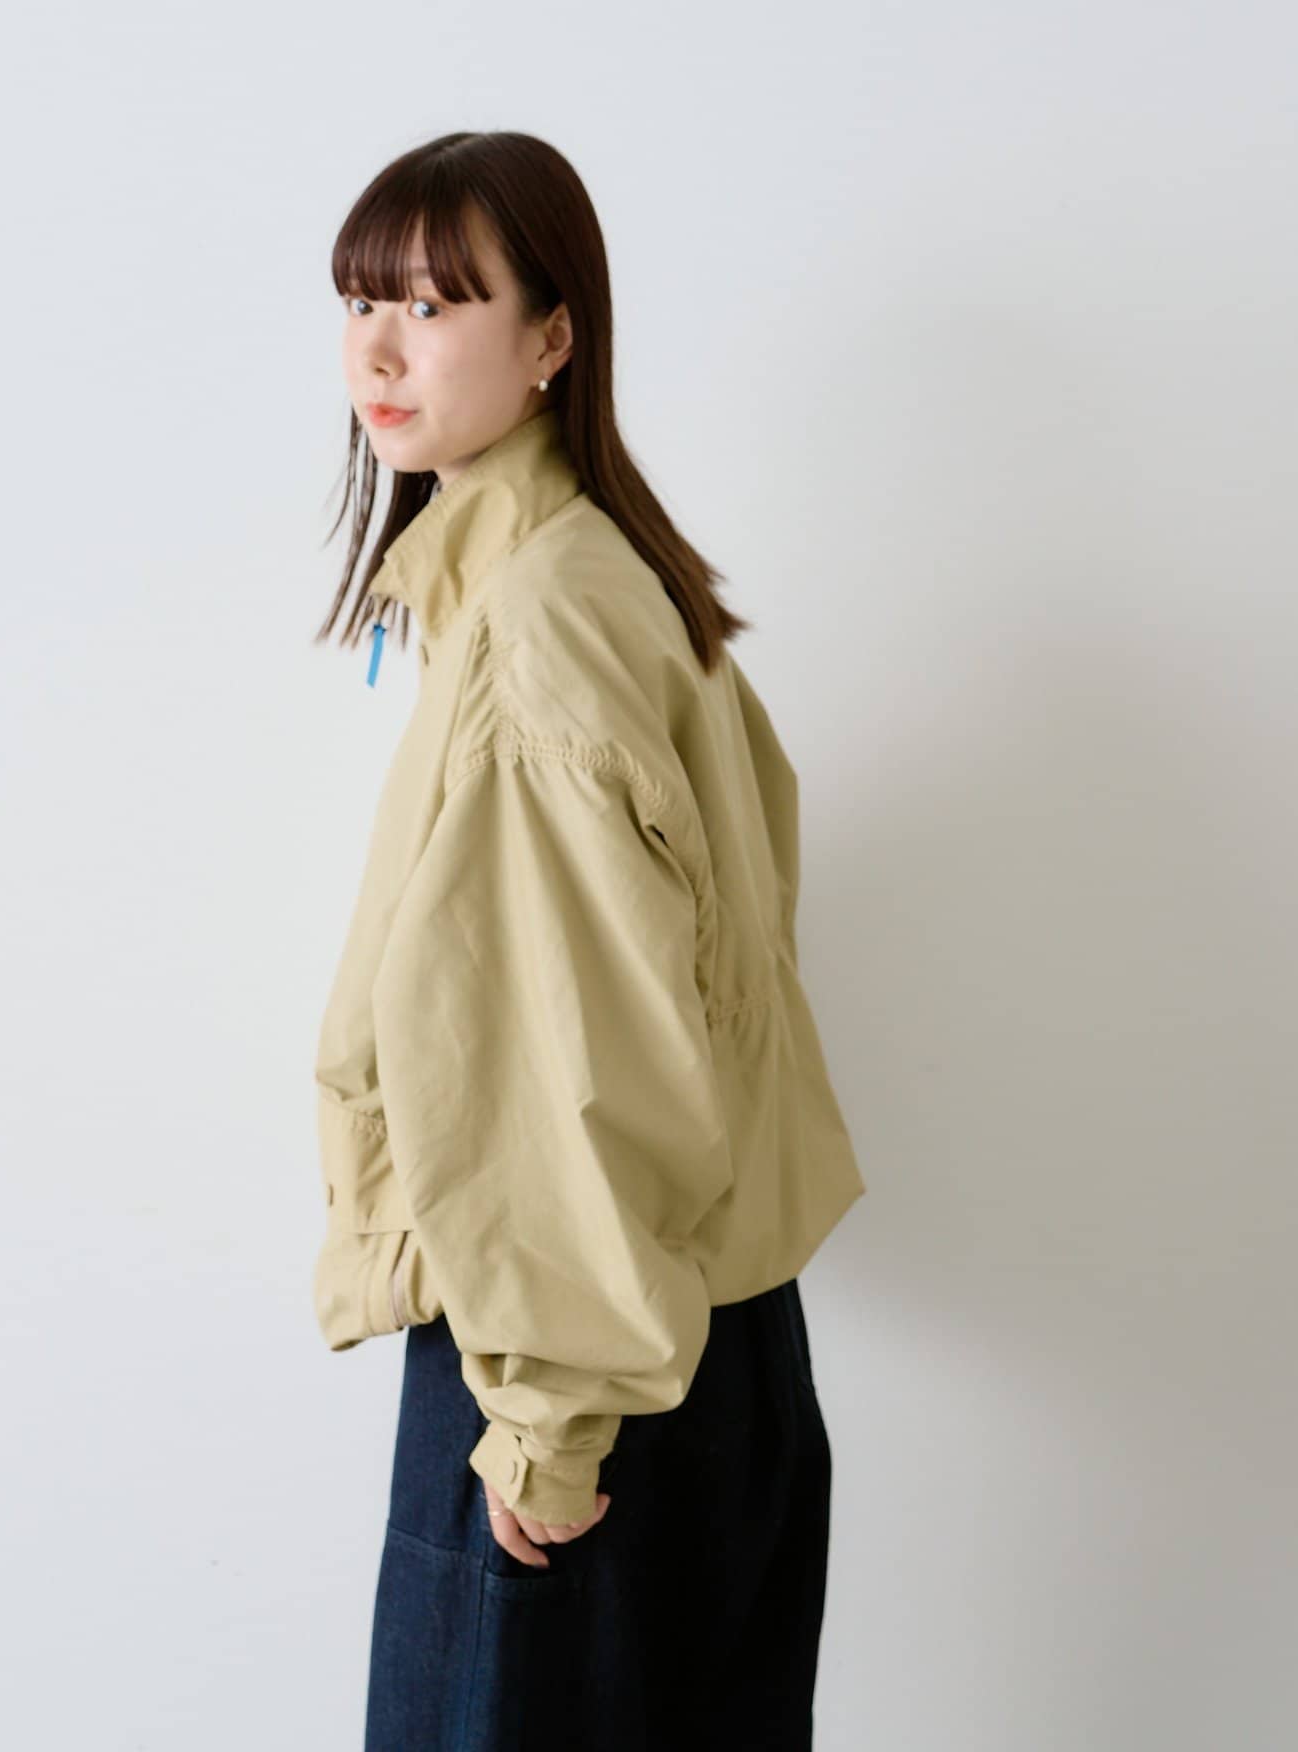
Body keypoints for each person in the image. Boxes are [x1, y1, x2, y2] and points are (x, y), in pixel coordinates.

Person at [309, 130, 867, 1750]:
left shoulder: (540, 628)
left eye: (437, 304)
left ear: (555, 337)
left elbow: (581, 1064)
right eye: (361, 302)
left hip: (574, 1381)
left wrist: (548, 1430)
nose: (379, 351)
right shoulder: (615, 581)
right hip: (699, 1350)